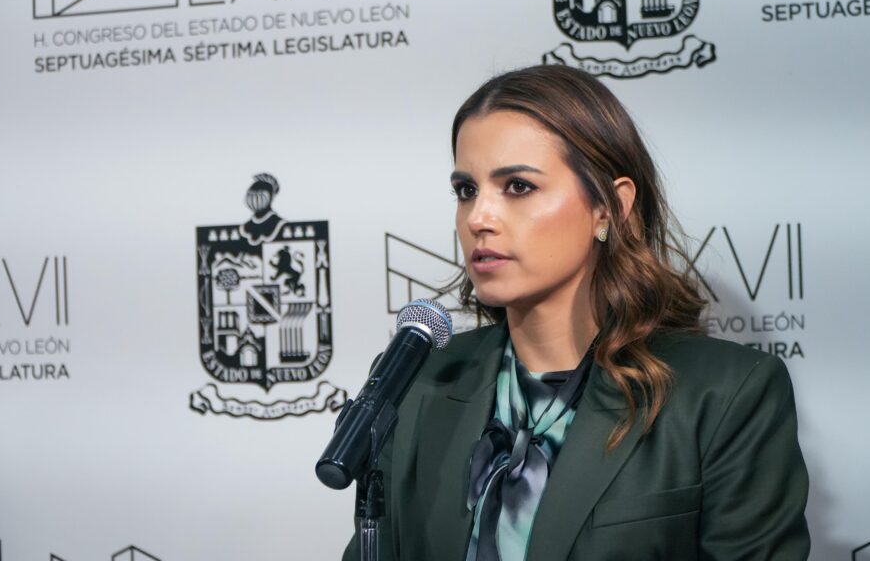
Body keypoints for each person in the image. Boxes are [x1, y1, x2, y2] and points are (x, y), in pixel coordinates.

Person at [343, 65, 810, 560]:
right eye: (466, 190)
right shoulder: (417, 382)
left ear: (609, 207)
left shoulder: (724, 394)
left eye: (518, 186)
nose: (478, 218)